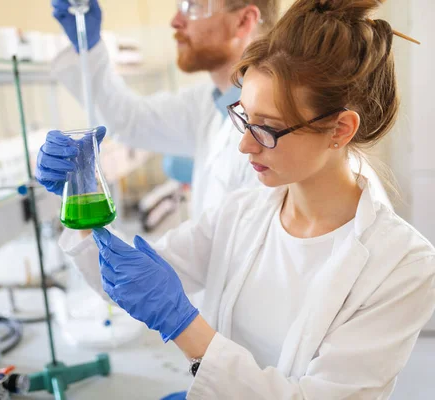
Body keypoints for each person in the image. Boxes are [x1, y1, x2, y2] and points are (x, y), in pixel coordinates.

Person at [37, 0, 435, 398]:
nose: (244, 144)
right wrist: (81, 203)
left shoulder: (402, 266)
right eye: (244, 117)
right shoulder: (241, 211)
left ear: (340, 129)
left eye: (267, 128)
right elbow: (129, 280)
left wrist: (184, 328)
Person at [48, 0, 280, 219]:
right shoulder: (208, 103)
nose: (175, 21)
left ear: (243, 21)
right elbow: (129, 120)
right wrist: (90, 47)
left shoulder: (277, 125)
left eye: (192, 6)